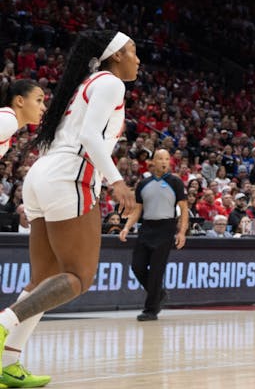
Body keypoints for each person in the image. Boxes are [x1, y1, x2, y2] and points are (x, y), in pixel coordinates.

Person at [0, 30, 137, 388]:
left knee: (43, 281)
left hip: (42, 175)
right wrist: (117, 181)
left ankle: (8, 363)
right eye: (133, 51)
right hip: (71, 177)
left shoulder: (83, 85)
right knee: (79, 277)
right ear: (116, 55)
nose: (138, 59)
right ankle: (3, 323)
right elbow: (91, 137)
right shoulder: (110, 82)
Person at [119, 148, 188, 321]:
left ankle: (150, 309)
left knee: (157, 271)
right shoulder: (143, 184)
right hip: (147, 227)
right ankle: (159, 294)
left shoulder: (175, 182)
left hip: (166, 228)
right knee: (137, 266)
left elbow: (184, 209)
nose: (164, 162)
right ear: (153, 162)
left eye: (166, 158)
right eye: (160, 158)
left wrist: (182, 232)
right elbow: (137, 210)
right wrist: (127, 227)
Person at [0, 79, 45, 161]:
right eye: (39, 100)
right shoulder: (9, 119)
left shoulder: (9, 122)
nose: (44, 108)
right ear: (20, 101)